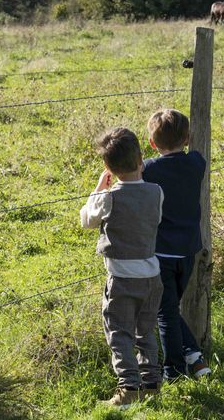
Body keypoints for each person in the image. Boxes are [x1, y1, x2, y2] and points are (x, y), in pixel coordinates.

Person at [80, 127, 164, 408]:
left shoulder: (108, 198)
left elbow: (86, 220)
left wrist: (98, 189)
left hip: (121, 278)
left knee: (118, 333)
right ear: (141, 159)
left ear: (108, 168)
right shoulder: (156, 192)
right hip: (152, 276)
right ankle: (151, 383)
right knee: (146, 330)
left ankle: (129, 389)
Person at [142, 109, 212, 381]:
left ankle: (173, 370)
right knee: (169, 308)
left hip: (160, 253)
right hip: (189, 251)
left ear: (151, 143)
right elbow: (192, 154)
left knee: (165, 313)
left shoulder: (149, 169)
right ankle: (193, 356)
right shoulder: (196, 163)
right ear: (188, 137)